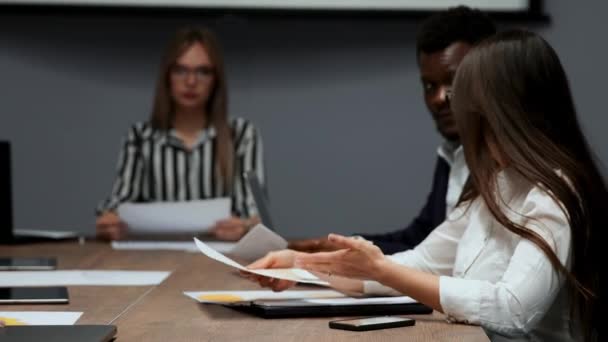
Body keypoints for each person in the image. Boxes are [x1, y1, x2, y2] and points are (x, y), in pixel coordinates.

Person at [247, 30, 603, 341]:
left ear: (511, 115)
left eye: (479, 118)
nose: (474, 134)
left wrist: (379, 269)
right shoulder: (494, 182)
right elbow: (422, 263)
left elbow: (512, 309)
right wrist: (302, 264)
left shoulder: (555, 195)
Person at [289, 6, 496, 254]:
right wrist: (342, 246)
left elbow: (446, 260)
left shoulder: (505, 160)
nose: (439, 98)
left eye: (453, 81)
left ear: (488, 76)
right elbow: (419, 239)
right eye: (429, 86)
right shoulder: (451, 153)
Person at [96, 28, 265, 241]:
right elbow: (119, 202)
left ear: (216, 80)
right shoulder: (140, 136)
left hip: (221, 254)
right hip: (155, 255)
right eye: (180, 70)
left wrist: (246, 226)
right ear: (167, 76)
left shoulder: (241, 134)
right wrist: (110, 221)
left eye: (203, 71)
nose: (191, 81)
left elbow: (257, 215)